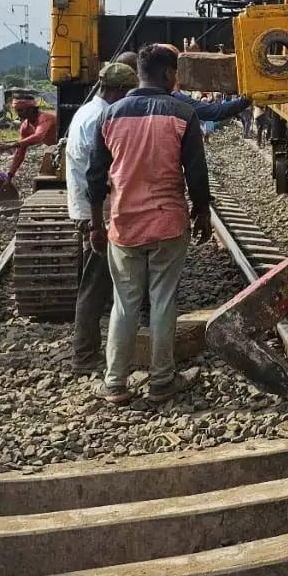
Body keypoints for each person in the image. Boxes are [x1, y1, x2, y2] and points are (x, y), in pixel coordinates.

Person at [87, 43, 211, 405]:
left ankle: (114, 384)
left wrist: (97, 225)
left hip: (124, 224)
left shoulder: (110, 116)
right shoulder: (183, 114)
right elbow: (197, 175)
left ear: (139, 73)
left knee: (124, 305)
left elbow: (94, 179)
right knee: (163, 301)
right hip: (168, 223)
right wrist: (202, 213)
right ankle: (161, 380)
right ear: (170, 74)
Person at [65, 60, 138, 375]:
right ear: (119, 91)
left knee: (93, 284)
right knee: (93, 287)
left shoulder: (86, 111)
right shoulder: (100, 118)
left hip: (88, 210)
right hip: (98, 214)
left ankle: (91, 348)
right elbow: (102, 175)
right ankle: (84, 356)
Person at [5, 96, 58, 179]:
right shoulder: (25, 126)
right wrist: (11, 174)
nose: (18, 114)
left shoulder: (45, 118)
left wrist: (14, 144)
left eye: (20, 110)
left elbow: (38, 136)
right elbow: (20, 152)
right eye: (17, 111)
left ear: (31, 109)